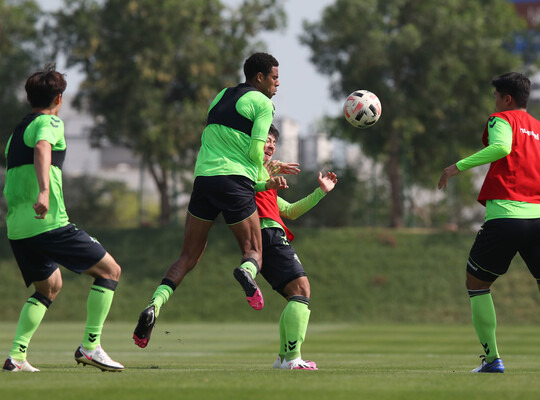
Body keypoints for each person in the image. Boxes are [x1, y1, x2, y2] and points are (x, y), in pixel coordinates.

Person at [438, 72, 540, 374]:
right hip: (539, 220)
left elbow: (501, 148)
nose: (495, 103)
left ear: (507, 99)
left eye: (496, 97)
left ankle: (492, 360)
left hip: (505, 218)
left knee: (477, 285)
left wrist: (454, 168)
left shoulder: (502, 120)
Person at [133, 52, 280, 348]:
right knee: (254, 251)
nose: (278, 85)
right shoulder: (264, 104)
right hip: (235, 181)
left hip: (203, 180)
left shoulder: (221, 95)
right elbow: (254, 154)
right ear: (260, 78)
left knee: (187, 256)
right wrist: (266, 174)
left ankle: (154, 306)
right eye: (275, 78)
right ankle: (246, 271)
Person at [2, 64, 124, 372]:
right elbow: (43, 147)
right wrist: (44, 192)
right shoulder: (49, 123)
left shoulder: (15, 134)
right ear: (59, 98)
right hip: (48, 223)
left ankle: (16, 357)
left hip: (18, 228)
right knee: (110, 271)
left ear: (29, 97)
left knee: (49, 287)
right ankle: (91, 346)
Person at [258, 125, 337, 370]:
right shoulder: (248, 172)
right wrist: (267, 175)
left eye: (273, 142)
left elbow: (290, 211)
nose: (271, 145)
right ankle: (293, 359)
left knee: (296, 294)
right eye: (265, 140)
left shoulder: (263, 179)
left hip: (266, 237)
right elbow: (248, 184)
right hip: (268, 235)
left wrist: (321, 192)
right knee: (302, 289)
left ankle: (284, 358)